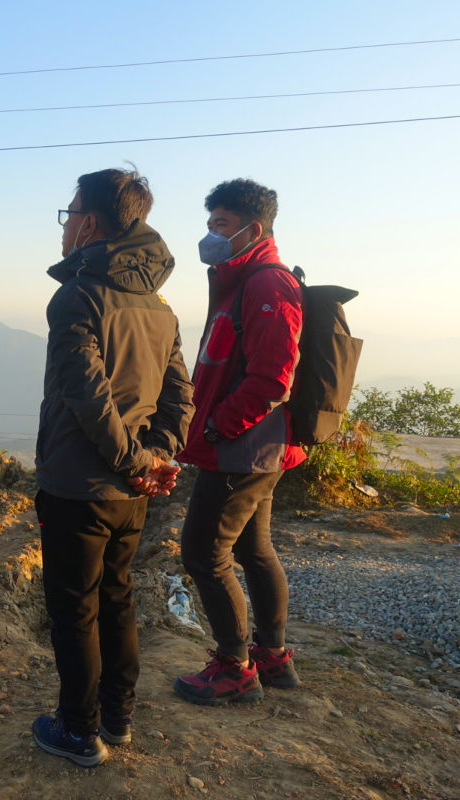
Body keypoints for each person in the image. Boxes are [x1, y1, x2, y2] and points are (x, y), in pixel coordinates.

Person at [31, 166, 193, 766]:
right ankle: (117, 717)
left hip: (80, 482)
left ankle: (77, 730)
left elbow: (86, 392)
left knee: (76, 607)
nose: (67, 225)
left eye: (69, 214)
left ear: (91, 222)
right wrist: (158, 458)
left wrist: (131, 459)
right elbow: (181, 391)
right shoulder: (158, 305)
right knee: (117, 597)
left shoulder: (78, 295)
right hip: (135, 488)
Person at [173, 178, 305, 706]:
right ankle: (272, 657)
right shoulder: (243, 280)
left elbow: (274, 378)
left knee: (204, 553)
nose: (210, 235)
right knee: (253, 548)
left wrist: (217, 426)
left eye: (220, 226)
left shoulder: (266, 286)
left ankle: (235, 668)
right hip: (255, 446)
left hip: (243, 446)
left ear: (253, 229)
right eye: (209, 224)